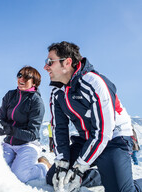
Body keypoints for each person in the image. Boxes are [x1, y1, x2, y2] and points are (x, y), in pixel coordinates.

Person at [44, 41, 142, 192]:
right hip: (87, 139)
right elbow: (59, 129)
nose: (46, 67)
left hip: (113, 138)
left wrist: (80, 167)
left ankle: (117, 178)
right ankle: (104, 175)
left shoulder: (94, 83)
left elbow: (103, 133)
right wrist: (63, 162)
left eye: (50, 62)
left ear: (67, 63)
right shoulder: (57, 93)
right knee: (54, 177)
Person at [0, 66, 51, 184]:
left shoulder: (36, 102)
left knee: (19, 176)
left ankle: (43, 167)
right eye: (19, 75)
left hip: (28, 144)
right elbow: (1, 119)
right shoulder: (10, 95)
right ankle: (16, 162)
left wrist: (10, 130)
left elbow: (32, 134)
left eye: (26, 77)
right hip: (9, 143)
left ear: (34, 82)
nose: (21, 78)